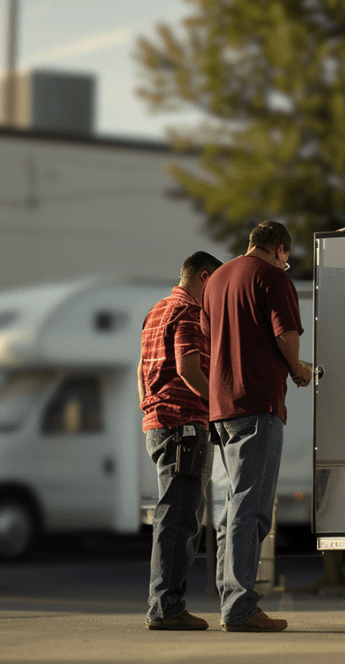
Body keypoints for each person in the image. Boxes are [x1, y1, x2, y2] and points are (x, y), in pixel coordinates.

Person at [203, 220, 312, 632]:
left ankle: (228, 596)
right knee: (252, 509)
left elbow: (212, 340)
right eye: (286, 257)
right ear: (280, 249)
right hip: (258, 403)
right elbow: (285, 334)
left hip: (221, 407)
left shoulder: (216, 281)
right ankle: (240, 607)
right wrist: (297, 368)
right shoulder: (272, 277)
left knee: (231, 508)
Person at [140, 250, 224, 631]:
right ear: (205, 277)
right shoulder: (189, 311)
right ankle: (167, 608)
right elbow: (190, 367)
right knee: (180, 518)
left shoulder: (157, 310)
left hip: (159, 423)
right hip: (185, 426)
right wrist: (219, 406)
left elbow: (142, 371)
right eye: (217, 286)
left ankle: (164, 604)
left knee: (171, 514)